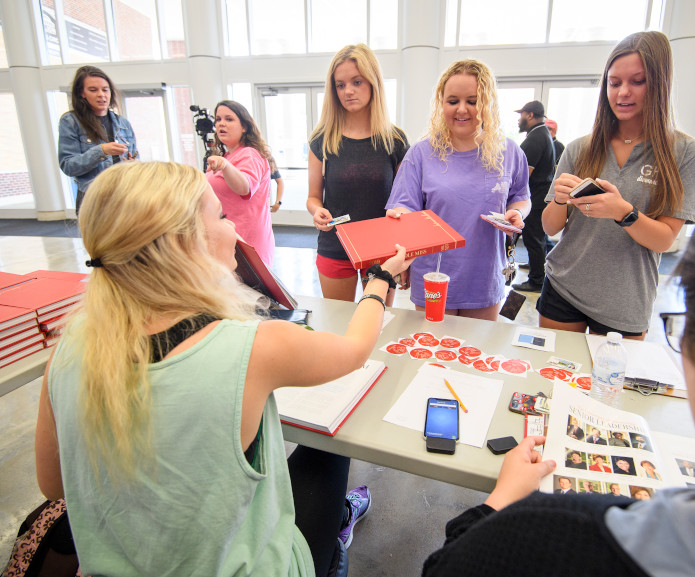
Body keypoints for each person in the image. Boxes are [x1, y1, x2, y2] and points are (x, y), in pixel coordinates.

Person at [421, 157, 695, 576]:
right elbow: (549, 224)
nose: (622, 91)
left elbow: (444, 568)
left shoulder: (550, 534)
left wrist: (500, 500)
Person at [35, 161, 413, 577]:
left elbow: (54, 485)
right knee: (328, 447)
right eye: (222, 216)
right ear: (184, 244)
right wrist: (380, 279)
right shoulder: (252, 345)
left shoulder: (68, 348)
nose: (234, 230)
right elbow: (355, 349)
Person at [539, 31, 695, 339]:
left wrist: (623, 212)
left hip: (625, 301)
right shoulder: (580, 148)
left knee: (610, 387)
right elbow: (550, 228)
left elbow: (664, 240)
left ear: (660, 83)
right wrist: (560, 200)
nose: (622, 93)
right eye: (614, 83)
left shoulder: (686, 154)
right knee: (551, 382)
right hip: (563, 287)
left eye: (637, 81)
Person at [386, 59, 531, 321]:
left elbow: (521, 197)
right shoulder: (420, 153)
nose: (462, 109)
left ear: (487, 104)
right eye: (453, 101)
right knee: (433, 354)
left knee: (476, 355)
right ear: (441, 104)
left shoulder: (509, 152)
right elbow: (404, 205)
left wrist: (517, 213)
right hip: (433, 273)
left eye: (473, 101)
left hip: (485, 274)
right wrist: (399, 216)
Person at [307, 44, 409, 304]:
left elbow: (405, 199)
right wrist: (316, 210)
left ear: (373, 83)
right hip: (335, 246)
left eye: (356, 82)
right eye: (340, 85)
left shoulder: (393, 140)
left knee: (379, 326)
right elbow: (313, 197)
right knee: (337, 325)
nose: (348, 91)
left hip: (382, 250)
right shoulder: (322, 139)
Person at [58, 65, 138, 216]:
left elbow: (134, 157)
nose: (101, 95)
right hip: (93, 197)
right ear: (82, 93)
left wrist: (132, 165)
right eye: (93, 90)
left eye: (105, 89)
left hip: (123, 195)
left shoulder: (123, 123)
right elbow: (68, 165)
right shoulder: (71, 121)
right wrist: (101, 151)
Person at [206, 100, 276, 267]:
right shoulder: (229, 155)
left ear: (244, 126)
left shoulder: (250, 154)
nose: (221, 123)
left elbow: (245, 188)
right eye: (218, 119)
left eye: (229, 119)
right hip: (228, 240)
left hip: (246, 243)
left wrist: (225, 166)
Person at [510, 100, 555, 294]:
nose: (519, 119)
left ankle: (537, 280)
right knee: (539, 238)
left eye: (521, 115)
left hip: (534, 198)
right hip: (541, 196)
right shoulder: (543, 134)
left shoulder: (534, 139)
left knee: (533, 239)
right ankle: (537, 269)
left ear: (529, 115)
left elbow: (522, 177)